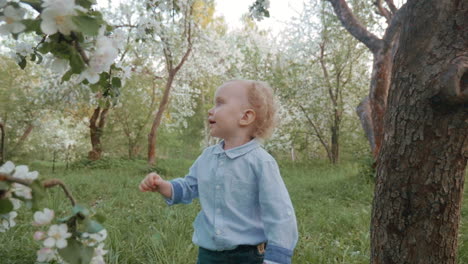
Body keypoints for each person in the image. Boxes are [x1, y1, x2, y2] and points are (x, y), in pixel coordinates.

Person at [139, 80, 298, 264]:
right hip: (208, 254)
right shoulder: (207, 157)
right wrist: (162, 186)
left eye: (220, 103)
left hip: (247, 256)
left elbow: (279, 214)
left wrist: (276, 259)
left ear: (245, 117)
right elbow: (190, 186)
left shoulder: (261, 162)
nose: (211, 110)